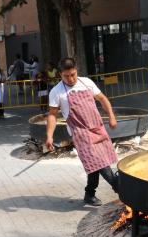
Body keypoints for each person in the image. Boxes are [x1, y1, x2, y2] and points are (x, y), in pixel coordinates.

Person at [46, 57, 119, 206]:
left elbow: (102, 99)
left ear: (76, 71)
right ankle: (121, 188)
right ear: (60, 74)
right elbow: (52, 115)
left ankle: (89, 194)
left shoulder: (87, 82)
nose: (71, 78)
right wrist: (49, 136)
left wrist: (111, 116)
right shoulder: (57, 92)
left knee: (94, 164)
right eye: (67, 76)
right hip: (80, 134)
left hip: (97, 128)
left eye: (73, 74)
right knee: (100, 161)